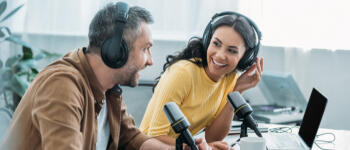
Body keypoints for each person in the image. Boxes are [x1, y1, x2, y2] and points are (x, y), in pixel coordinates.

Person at [0, 2, 210, 150]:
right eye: (145, 49)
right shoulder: (62, 85)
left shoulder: (108, 90)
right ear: (116, 52)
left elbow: (132, 139)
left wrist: (177, 149)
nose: (150, 61)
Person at [139, 11, 264, 150]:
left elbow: (213, 137)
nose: (220, 55)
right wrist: (198, 147)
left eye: (232, 51)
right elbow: (154, 136)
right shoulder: (183, 74)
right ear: (207, 41)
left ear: (245, 58)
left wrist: (237, 91)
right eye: (216, 43)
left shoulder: (230, 78)